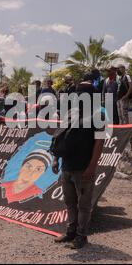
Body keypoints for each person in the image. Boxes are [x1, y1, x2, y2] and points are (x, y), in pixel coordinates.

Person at [52, 74, 104, 249]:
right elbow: (59, 136)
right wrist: (55, 159)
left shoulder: (98, 114)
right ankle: (71, 232)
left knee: (83, 204)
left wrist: (92, 166)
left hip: (83, 167)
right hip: (67, 166)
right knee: (69, 202)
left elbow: (100, 142)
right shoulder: (70, 112)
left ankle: (81, 236)